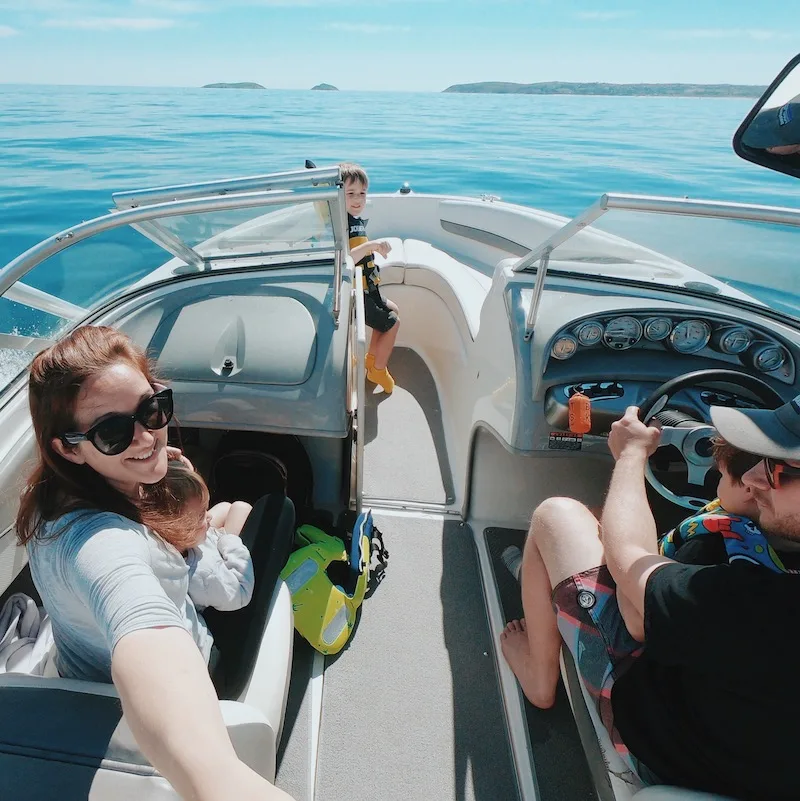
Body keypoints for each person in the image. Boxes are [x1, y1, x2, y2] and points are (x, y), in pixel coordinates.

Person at [15, 324, 295, 801]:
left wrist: (148, 471)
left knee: (219, 512)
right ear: (68, 446)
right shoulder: (102, 543)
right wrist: (216, 781)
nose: (147, 436)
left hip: (79, 672)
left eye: (153, 408)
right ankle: (233, 510)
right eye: (113, 432)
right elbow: (167, 615)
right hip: (199, 662)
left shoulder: (47, 501)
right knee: (269, 511)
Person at [501, 399, 800, 799]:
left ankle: (540, 677)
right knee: (599, 520)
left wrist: (630, 455)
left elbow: (633, 584)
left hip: (670, 744)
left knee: (557, 516)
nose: (755, 480)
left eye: (776, 470)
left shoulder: (758, 603)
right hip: (758, 755)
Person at [657, 437, 790, 571]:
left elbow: (659, 584)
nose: (718, 484)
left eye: (722, 476)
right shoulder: (790, 535)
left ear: (749, 488)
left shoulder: (707, 544)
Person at [152, 460, 255, 612]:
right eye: (201, 514)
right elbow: (241, 594)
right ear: (178, 529)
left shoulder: (156, 535)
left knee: (226, 506)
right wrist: (228, 540)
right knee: (243, 508)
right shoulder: (206, 576)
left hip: (197, 544)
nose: (208, 517)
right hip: (218, 553)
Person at [341, 162, 399, 394]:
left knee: (393, 308)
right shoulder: (342, 223)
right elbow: (348, 260)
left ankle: (371, 357)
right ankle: (377, 369)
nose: (358, 199)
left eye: (362, 193)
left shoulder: (353, 220)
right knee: (393, 322)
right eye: (350, 193)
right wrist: (372, 245)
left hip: (368, 287)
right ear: (337, 195)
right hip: (357, 291)